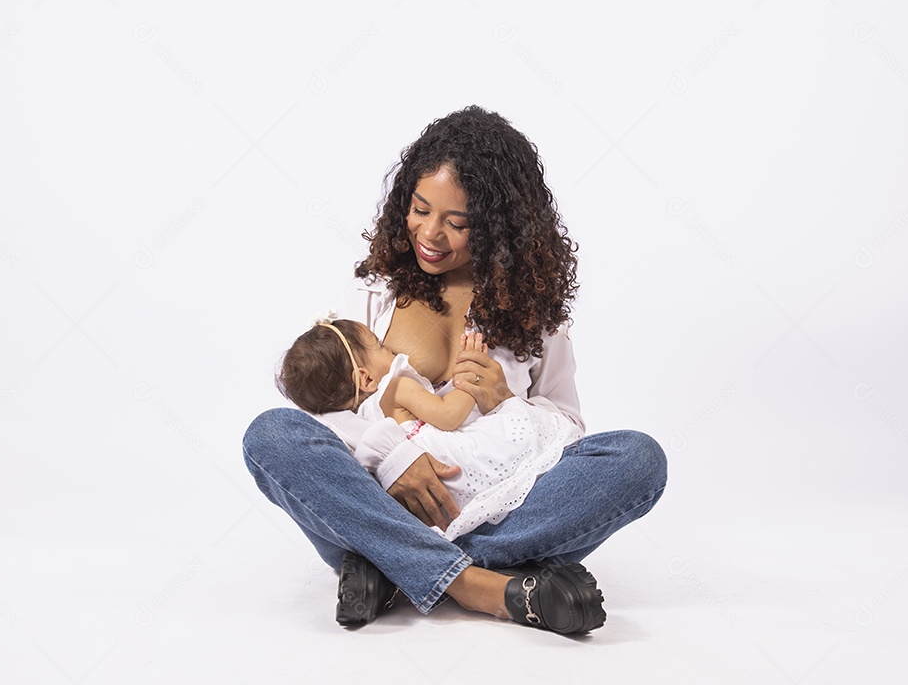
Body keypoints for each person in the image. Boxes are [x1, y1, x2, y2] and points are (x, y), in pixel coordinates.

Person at [243, 105, 668, 635]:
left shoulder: (534, 315)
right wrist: (394, 460)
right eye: (420, 209)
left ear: (496, 228)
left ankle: (391, 568)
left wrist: (504, 401)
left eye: (457, 223)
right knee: (272, 434)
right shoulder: (377, 293)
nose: (430, 233)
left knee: (637, 459)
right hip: (384, 502)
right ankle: (480, 586)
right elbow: (336, 408)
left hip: (493, 504)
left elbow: (567, 430)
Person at [276, 318, 581, 542]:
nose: (389, 348)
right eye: (379, 345)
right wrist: (470, 375)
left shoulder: (356, 420)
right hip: (450, 463)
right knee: (525, 438)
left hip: (422, 508)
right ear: (366, 379)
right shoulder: (395, 387)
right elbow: (448, 416)